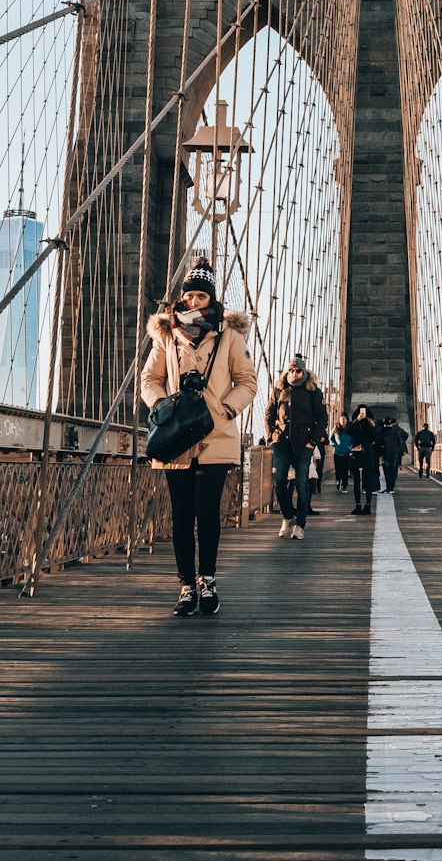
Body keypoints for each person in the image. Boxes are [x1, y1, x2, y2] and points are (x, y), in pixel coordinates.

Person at [140, 259, 257, 617]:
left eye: (201, 296)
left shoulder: (229, 337)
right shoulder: (166, 336)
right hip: (176, 439)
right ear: (182, 298)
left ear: (211, 299)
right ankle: (186, 586)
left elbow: (247, 382)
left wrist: (225, 410)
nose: (194, 302)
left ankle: (208, 581)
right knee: (180, 515)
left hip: (216, 437)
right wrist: (162, 407)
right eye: (189, 295)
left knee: (207, 512)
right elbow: (149, 379)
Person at [265, 353, 328, 541]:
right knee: (278, 482)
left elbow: (322, 419)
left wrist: (313, 441)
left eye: (297, 370)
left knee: (302, 485)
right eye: (291, 370)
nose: (294, 373)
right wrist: (271, 438)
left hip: (303, 445)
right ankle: (287, 517)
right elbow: (269, 414)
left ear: (304, 371)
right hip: (281, 444)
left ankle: (300, 524)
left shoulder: (313, 391)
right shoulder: (279, 389)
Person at [346, 405, 381, 515]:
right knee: (356, 481)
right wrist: (357, 420)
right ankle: (358, 505)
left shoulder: (370, 424)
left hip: (365, 453)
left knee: (367, 481)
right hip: (357, 453)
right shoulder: (355, 423)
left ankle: (367, 506)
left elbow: (376, 437)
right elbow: (347, 431)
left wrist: (367, 423)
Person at [379, 416, 409, 493]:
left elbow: (379, 443)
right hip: (394, 453)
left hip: (385, 454)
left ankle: (388, 487)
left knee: (387, 471)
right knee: (393, 471)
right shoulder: (395, 431)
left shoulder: (382, 431)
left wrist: (380, 452)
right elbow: (400, 441)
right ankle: (392, 488)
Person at [330, 415, 352, 491]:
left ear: (346, 420)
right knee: (338, 468)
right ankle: (338, 480)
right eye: (341, 419)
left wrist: (350, 446)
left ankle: (344, 484)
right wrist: (335, 445)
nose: (343, 420)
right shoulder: (336, 429)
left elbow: (353, 439)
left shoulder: (349, 429)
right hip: (337, 452)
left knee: (345, 469)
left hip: (346, 452)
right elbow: (330, 438)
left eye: (344, 419)